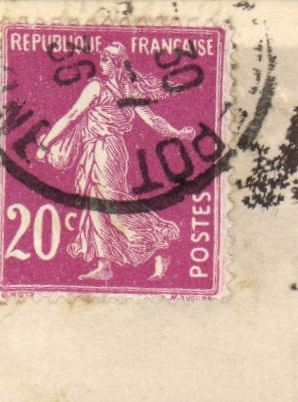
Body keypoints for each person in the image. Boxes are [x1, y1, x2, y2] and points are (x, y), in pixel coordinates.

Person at [33, 41, 195, 281]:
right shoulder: (122, 90)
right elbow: (150, 119)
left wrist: (46, 145)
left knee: (113, 206)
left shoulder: (102, 88)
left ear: (118, 64)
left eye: (107, 60)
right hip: (96, 149)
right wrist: (178, 132)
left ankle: (159, 246)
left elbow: (72, 116)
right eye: (102, 60)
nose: (103, 64)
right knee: (94, 205)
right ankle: (104, 264)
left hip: (106, 150)